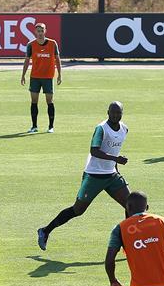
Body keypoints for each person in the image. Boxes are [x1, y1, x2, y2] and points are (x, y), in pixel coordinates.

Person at [37, 102, 129, 250]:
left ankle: (127, 241)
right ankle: (45, 231)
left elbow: (114, 150)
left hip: (111, 176)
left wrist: (116, 168)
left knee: (130, 205)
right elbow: (94, 151)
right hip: (94, 175)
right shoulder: (101, 129)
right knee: (77, 210)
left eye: (118, 113)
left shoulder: (124, 129)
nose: (115, 115)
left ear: (122, 113)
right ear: (108, 112)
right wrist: (116, 160)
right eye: (113, 112)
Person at [21, 22, 62, 133]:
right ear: (35, 32)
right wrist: (23, 75)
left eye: (42, 31)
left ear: (45, 31)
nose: (40, 33)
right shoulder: (31, 45)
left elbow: (57, 59)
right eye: (38, 31)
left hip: (48, 77)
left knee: (50, 101)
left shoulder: (53, 44)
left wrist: (59, 75)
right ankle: (34, 126)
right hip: (35, 77)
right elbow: (26, 60)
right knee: (34, 101)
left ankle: (50, 127)